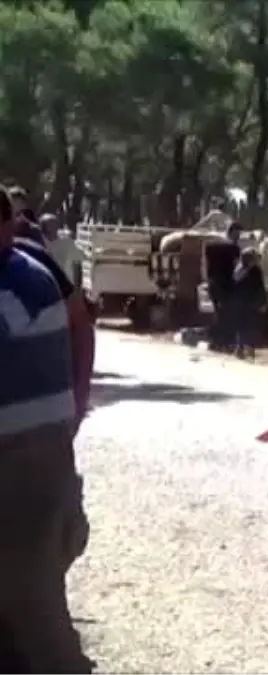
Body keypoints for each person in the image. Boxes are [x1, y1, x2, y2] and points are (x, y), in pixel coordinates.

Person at [0, 188, 93, 673]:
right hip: (34, 442)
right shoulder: (34, 267)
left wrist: (78, 398)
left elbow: (81, 324)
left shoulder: (24, 276)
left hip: (28, 451)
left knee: (32, 590)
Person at [204, 220, 243, 351]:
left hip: (213, 285)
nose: (239, 237)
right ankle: (223, 342)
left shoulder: (211, 245)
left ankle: (217, 342)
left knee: (219, 313)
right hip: (226, 286)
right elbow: (239, 267)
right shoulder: (233, 248)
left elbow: (205, 265)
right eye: (238, 234)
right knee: (227, 314)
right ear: (232, 233)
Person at [230, 248, 267, 359]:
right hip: (244, 303)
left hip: (250, 303)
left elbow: (260, 287)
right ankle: (241, 349)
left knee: (250, 326)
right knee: (243, 326)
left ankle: (249, 349)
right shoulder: (241, 270)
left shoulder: (254, 270)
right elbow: (236, 284)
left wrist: (262, 301)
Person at [40, 214, 84, 285]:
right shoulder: (39, 243)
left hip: (67, 285)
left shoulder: (67, 242)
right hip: (47, 285)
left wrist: (78, 286)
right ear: (43, 226)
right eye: (51, 224)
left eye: (55, 223)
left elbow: (77, 265)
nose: (55, 227)